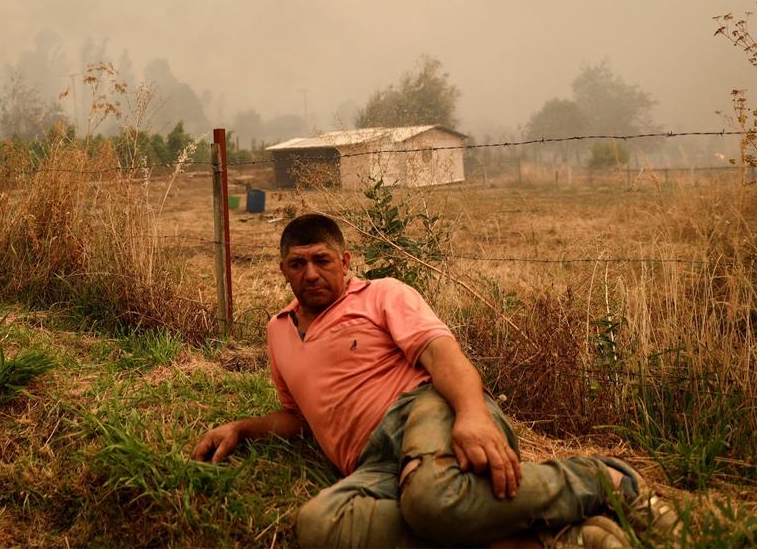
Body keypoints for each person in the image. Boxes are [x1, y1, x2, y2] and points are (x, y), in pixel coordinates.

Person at [192, 213, 678, 548]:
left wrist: (470, 413)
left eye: (322, 260)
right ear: (283, 271)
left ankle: (607, 480)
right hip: (370, 461)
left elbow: (441, 353)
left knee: (429, 500)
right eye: (298, 264)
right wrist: (241, 429)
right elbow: (297, 416)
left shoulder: (382, 294)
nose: (311, 273)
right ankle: (563, 540)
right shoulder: (278, 331)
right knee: (320, 526)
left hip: (424, 409)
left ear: (346, 261)